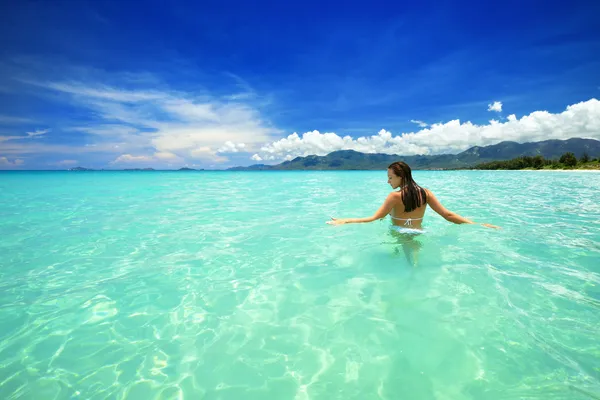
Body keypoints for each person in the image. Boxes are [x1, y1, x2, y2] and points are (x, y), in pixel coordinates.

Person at [327, 161, 499, 231]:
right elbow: (447, 215)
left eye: (390, 177)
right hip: (418, 232)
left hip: (399, 233)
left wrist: (345, 220)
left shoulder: (394, 197)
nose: (388, 181)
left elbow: (373, 218)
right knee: (413, 263)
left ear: (400, 177)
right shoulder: (426, 193)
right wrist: (477, 224)